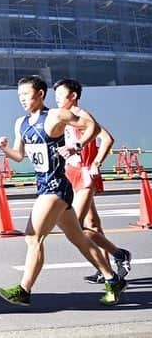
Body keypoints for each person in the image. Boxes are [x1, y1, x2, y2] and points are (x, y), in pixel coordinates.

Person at [0, 75, 127, 307]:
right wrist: (5, 149)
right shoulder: (21, 123)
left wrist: (77, 145)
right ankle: (112, 279)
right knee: (78, 237)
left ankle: (24, 290)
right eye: (19, 96)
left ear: (40, 94)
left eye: (26, 94)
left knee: (33, 237)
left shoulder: (55, 115)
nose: (22, 99)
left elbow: (93, 127)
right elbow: (19, 155)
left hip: (56, 187)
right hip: (44, 185)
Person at [52, 78, 132, 284]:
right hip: (71, 173)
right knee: (92, 223)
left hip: (85, 174)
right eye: (56, 95)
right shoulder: (64, 117)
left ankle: (119, 254)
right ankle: (103, 269)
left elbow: (107, 138)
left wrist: (96, 162)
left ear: (73, 96)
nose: (57, 98)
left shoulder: (82, 115)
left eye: (60, 95)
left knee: (76, 227)